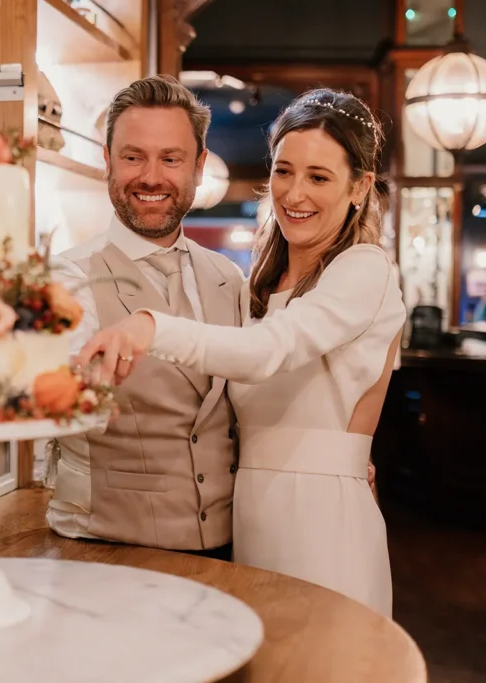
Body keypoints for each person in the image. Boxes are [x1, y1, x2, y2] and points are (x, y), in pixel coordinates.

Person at [74, 88, 406, 617]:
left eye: (319, 177)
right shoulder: (256, 285)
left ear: (360, 187)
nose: (295, 193)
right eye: (284, 171)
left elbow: (268, 352)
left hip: (320, 521)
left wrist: (152, 326)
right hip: (247, 520)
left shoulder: (364, 269)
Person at [44, 75, 245, 560]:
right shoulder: (67, 278)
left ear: (198, 167)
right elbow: (63, 398)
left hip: (226, 545)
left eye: (171, 159)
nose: (151, 177)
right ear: (108, 161)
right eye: (133, 157)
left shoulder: (229, 278)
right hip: (107, 548)